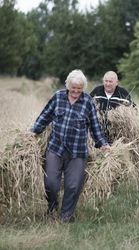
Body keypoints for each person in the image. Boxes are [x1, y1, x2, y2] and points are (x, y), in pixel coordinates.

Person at [30, 69, 110, 222]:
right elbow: (45, 115)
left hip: (77, 152)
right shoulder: (58, 97)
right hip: (56, 148)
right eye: (73, 88)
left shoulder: (87, 102)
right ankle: (52, 209)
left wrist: (103, 144)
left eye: (79, 89)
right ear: (67, 85)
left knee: (73, 187)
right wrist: (34, 131)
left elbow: (95, 126)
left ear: (83, 88)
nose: (75, 91)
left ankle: (65, 217)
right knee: (51, 183)